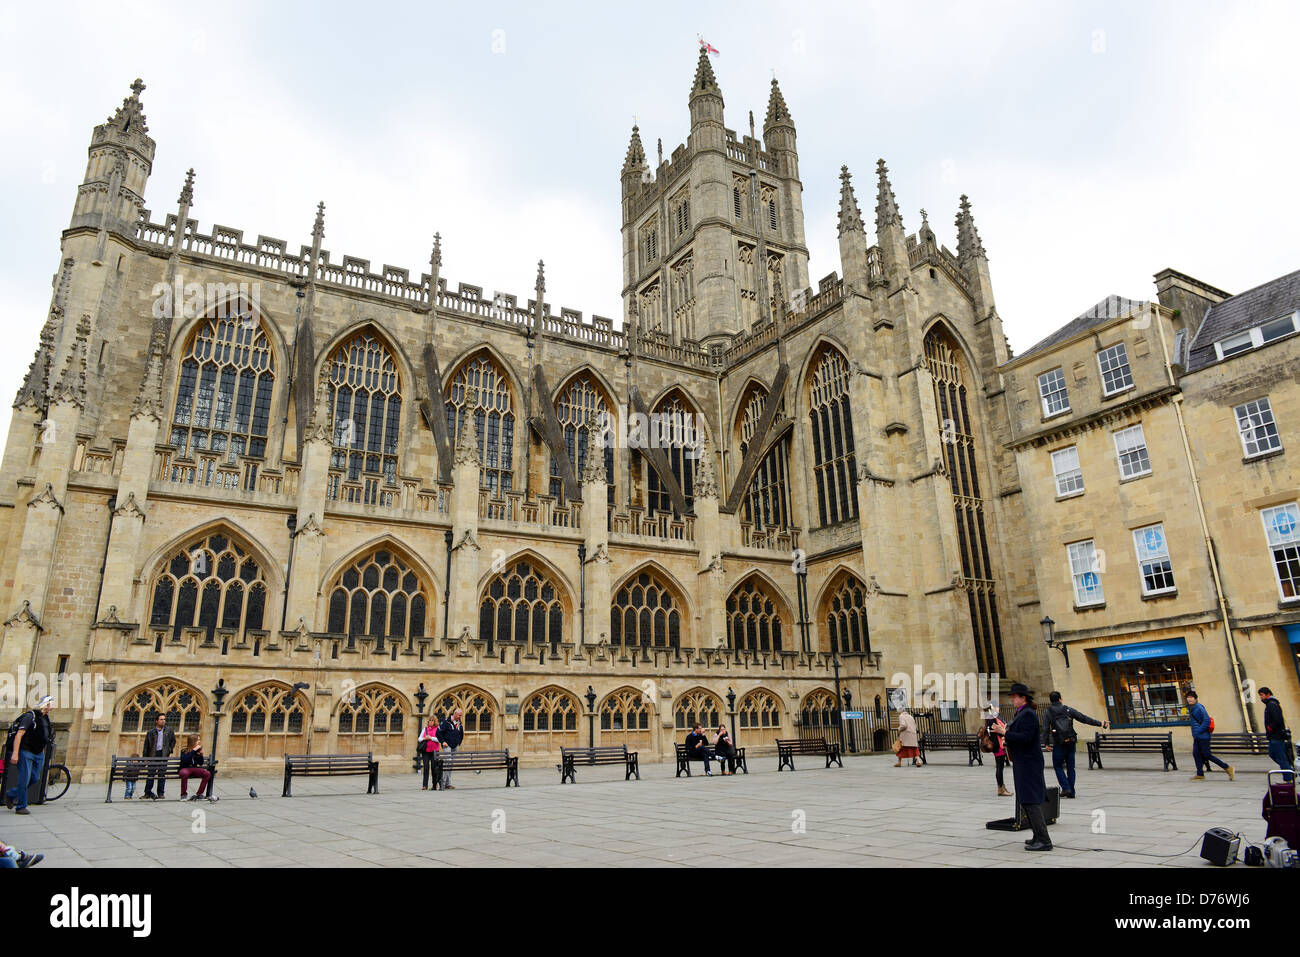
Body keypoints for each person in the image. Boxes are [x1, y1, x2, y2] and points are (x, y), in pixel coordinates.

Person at [994, 682, 1052, 852]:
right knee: (1025, 800)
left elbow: (1026, 737)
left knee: (1030, 800)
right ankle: (1037, 835)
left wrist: (1004, 733)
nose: (1011, 699)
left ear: (1023, 698)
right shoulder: (1021, 713)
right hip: (1023, 761)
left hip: (1029, 763)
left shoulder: (1028, 714)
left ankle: (1044, 840)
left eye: (1014, 697)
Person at [1041, 691, 1108, 799]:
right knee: (1071, 767)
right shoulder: (1068, 710)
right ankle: (1071, 791)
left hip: (1059, 742)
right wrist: (1100, 723)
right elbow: (1084, 719)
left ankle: (1066, 788)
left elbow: (1045, 729)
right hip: (1071, 741)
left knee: (1058, 766)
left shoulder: (1048, 712)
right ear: (1060, 699)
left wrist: (1046, 743)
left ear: (1051, 701)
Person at [5, 696, 53, 815]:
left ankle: (11, 794)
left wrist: (42, 750)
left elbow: (44, 736)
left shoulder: (45, 718)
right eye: (49, 705)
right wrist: (15, 753)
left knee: (35, 778)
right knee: (24, 779)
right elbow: (19, 735)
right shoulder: (30, 716)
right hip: (26, 752)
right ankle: (21, 806)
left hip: (38, 753)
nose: (50, 708)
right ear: (43, 705)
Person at [1186, 691, 1234, 782]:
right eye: (1188, 697)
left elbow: (1206, 721)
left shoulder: (1199, 707)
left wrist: (1198, 731)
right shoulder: (1192, 708)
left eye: (1191, 697)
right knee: (1196, 754)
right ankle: (1200, 774)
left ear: (1196, 699)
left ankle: (1227, 768)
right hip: (1197, 737)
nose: (1189, 699)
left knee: (1207, 755)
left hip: (1203, 737)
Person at [1259, 688, 1293, 779]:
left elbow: (1277, 720)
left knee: (1280, 757)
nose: (1261, 697)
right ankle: (1289, 770)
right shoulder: (1270, 704)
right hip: (1273, 736)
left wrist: (1270, 728)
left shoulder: (1272, 704)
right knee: (1273, 754)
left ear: (1268, 694)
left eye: (1262, 695)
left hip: (1276, 736)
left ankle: (1288, 777)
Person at [141, 713, 177, 800]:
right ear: (156, 721)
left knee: (162, 775)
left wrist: (169, 750)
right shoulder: (150, 732)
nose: (163, 721)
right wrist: (145, 757)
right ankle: (147, 793)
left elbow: (173, 741)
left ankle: (161, 793)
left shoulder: (169, 730)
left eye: (164, 719)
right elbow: (146, 746)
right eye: (161, 719)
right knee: (151, 775)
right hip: (153, 755)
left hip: (163, 754)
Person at [984, 701, 1012, 797]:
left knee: (1000, 767)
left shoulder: (993, 717)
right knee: (1000, 767)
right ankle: (1000, 788)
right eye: (997, 707)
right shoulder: (991, 718)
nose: (999, 708)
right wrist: (1004, 733)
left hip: (1000, 744)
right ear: (993, 708)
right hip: (998, 744)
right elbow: (995, 731)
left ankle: (1002, 787)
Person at [177, 736, 213, 801]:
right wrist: (193, 750)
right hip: (185, 768)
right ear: (192, 741)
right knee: (184, 773)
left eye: (199, 740)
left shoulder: (197, 751)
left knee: (207, 773)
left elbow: (200, 763)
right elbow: (186, 760)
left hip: (194, 768)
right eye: (197, 740)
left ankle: (199, 794)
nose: (199, 741)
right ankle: (183, 795)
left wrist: (201, 755)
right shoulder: (184, 750)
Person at [436, 708, 464, 790]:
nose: (460, 716)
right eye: (459, 715)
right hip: (447, 745)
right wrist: (442, 742)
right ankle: (443, 782)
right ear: (455, 714)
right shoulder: (446, 722)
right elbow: (438, 732)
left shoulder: (459, 723)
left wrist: (459, 743)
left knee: (451, 764)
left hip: (455, 746)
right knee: (447, 762)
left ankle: (448, 783)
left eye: (461, 715)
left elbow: (461, 734)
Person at [417, 718, 441, 790]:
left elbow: (440, 739)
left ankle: (435, 784)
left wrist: (431, 738)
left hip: (435, 751)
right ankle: (425, 785)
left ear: (435, 722)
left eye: (432, 720)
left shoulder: (438, 729)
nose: (430, 722)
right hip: (426, 751)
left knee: (434, 768)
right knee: (426, 768)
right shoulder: (425, 729)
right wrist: (425, 738)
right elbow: (419, 739)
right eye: (429, 720)